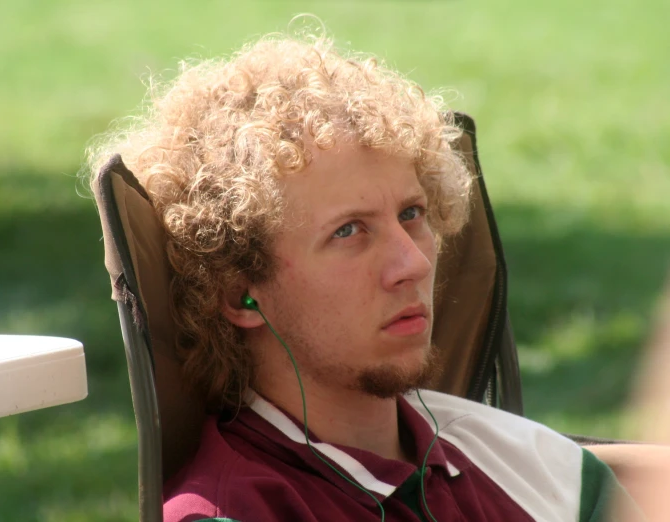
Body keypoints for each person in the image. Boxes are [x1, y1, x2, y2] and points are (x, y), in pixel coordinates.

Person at [90, 31, 638, 522]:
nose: (414, 264)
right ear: (239, 292)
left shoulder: (531, 469)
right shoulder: (230, 512)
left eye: (411, 215)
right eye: (349, 232)